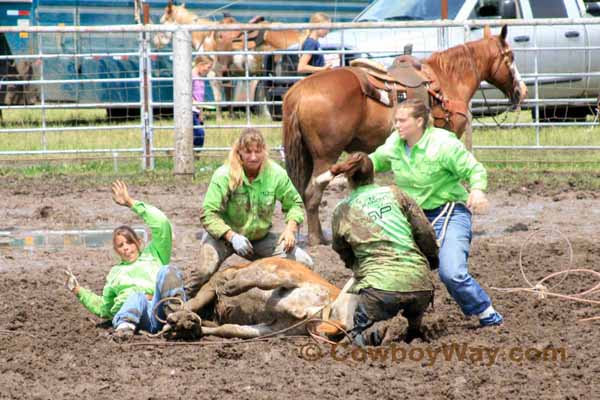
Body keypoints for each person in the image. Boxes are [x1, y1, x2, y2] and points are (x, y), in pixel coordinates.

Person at [369, 98, 504, 327]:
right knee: (387, 265)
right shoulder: (395, 143)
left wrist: (478, 190)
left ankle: (485, 311)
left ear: (419, 121)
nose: (396, 126)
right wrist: (346, 170)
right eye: (395, 121)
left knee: (451, 273)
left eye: (402, 121)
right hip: (412, 218)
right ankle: (393, 317)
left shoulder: (443, 144)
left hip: (449, 213)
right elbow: (374, 161)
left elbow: (473, 169)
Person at [185, 127, 313, 298]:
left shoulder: (276, 174)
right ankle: (181, 301)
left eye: (258, 151)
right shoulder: (224, 175)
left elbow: (295, 204)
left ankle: (276, 303)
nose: (253, 157)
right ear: (239, 153)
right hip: (224, 237)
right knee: (203, 271)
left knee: (304, 264)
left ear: (264, 151)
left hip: (260, 238)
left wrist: (290, 229)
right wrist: (231, 236)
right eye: (248, 152)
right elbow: (208, 214)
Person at [330, 152, 438, 346]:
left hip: (379, 290)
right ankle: (410, 327)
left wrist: (357, 268)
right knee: (411, 335)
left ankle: (378, 333)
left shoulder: (341, 210)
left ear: (348, 178)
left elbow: (341, 248)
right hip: (420, 285)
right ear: (373, 174)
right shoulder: (396, 194)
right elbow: (424, 231)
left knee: (354, 340)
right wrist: (431, 259)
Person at [63, 180, 186, 340]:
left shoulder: (154, 254)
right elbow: (104, 308)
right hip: (132, 314)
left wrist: (130, 202)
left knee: (169, 270)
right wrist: (78, 291)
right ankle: (124, 329)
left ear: (138, 242)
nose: (126, 248)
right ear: (116, 251)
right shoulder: (116, 273)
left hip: (157, 313)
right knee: (137, 296)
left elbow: (162, 224)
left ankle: (179, 318)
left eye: (129, 242)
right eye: (121, 245)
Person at [192, 55, 214, 148]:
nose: (209, 70)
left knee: (197, 133)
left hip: (197, 110)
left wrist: (200, 112)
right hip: (190, 110)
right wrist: (194, 102)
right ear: (200, 65)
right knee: (199, 133)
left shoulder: (201, 78)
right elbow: (185, 93)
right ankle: (195, 153)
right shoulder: (191, 76)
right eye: (208, 67)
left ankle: (193, 154)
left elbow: (200, 97)